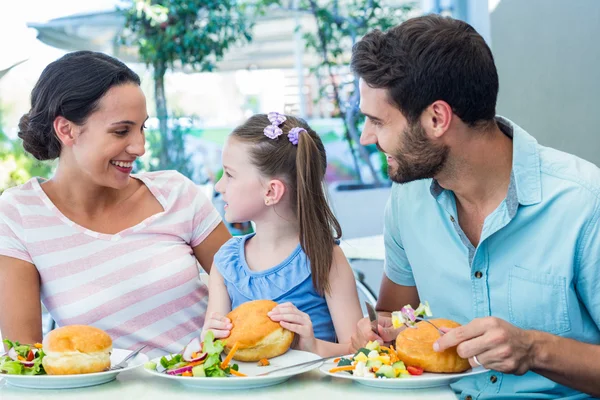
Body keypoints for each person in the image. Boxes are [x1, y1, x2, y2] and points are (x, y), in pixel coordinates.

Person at [349, 14, 600, 399]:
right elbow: (393, 316)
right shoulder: (407, 199)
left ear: (437, 118)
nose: (367, 138)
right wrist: (376, 332)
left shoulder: (583, 202)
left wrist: (535, 349)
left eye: (377, 121)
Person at [0, 51, 231, 358]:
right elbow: (26, 356)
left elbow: (246, 288)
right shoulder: (19, 215)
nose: (140, 147)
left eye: (142, 128)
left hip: (211, 382)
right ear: (66, 130)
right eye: (121, 131)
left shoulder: (175, 192)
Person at [201, 113, 363, 357]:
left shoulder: (325, 257)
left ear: (271, 191)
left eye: (230, 175)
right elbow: (214, 353)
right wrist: (209, 339)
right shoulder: (225, 263)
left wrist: (313, 346)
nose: (219, 186)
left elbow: (362, 352)